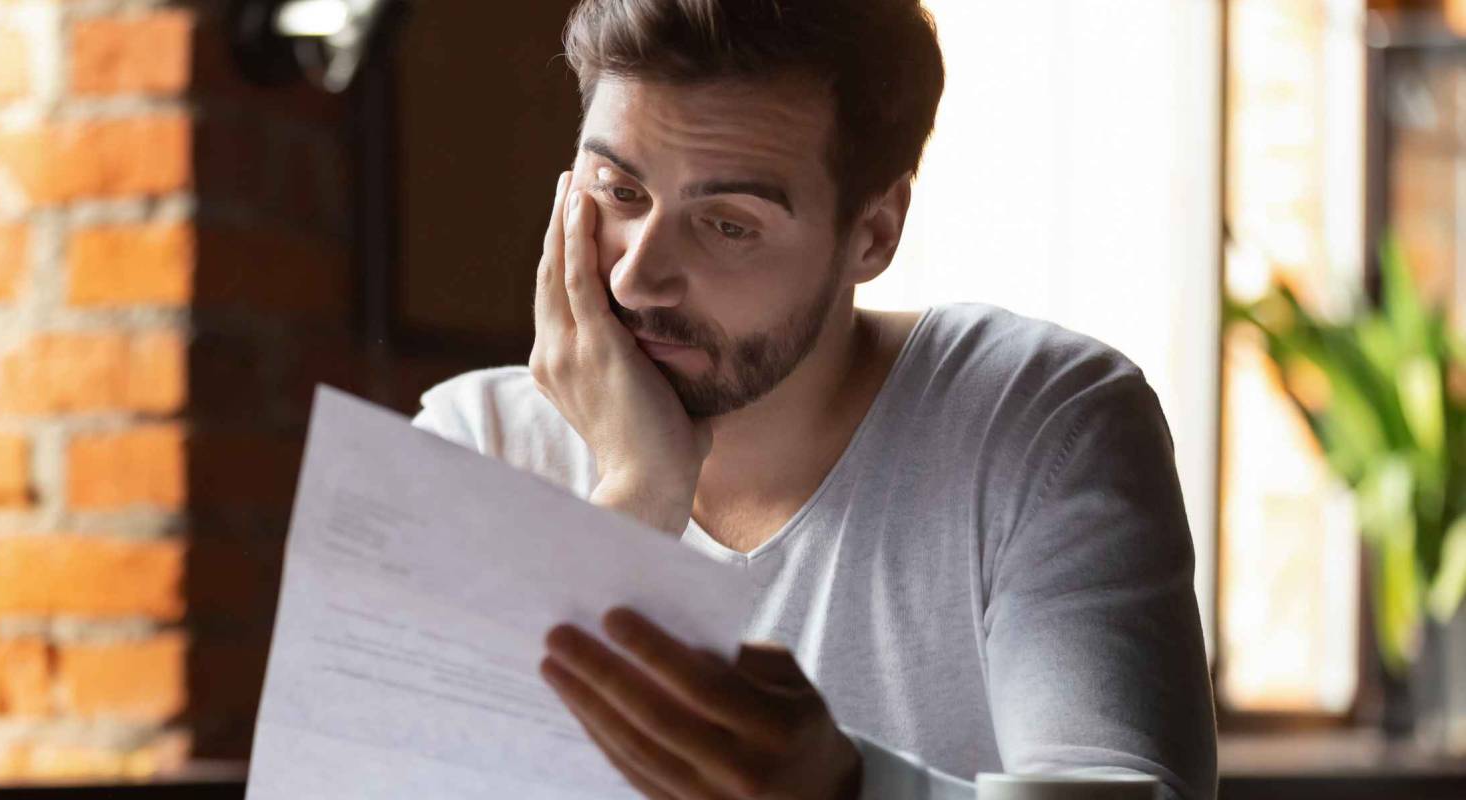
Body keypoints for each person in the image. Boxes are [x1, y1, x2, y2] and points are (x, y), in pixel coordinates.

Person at [411, 1, 1218, 798]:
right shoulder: (475, 443)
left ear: (873, 233)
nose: (634, 276)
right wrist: (638, 493)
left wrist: (850, 790)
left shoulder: (1042, 424)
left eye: (727, 225)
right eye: (619, 193)